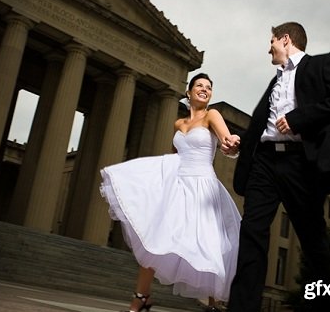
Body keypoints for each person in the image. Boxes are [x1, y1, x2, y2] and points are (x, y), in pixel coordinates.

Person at [224, 22, 330, 311]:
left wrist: (299, 118)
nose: (268, 48)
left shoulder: (322, 63)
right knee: (252, 232)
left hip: (301, 163)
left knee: (313, 240)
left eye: (271, 41)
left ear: (285, 39)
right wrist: (241, 143)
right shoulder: (275, 81)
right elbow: (264, 124)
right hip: (265, 161)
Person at [100, 73, 242, 312]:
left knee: (207, 241)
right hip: (179, 186)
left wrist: (232, 145)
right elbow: (175, 156)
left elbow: (227, 143)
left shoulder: (212, 115)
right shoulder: (178, 123)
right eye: (199, 85)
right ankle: (141, 297)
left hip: (202, 186)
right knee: (155, 238)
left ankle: (214, 303)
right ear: (188, 92)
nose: (204, 89)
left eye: (209, 87)